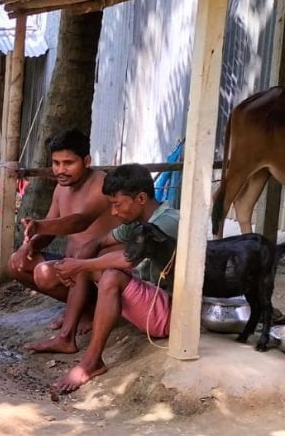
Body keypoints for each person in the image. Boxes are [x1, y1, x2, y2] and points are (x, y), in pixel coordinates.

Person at [40, 164, 180, 394]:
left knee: (111, 274)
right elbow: (98, 242)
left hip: (171, 312)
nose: (114, 213)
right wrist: (78, 265)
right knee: (93, 258)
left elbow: (127, 260)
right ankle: (67, 335)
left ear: (141, 198)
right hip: (149, 301)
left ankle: (92, 362)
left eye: (117, 205)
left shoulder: (166, 222)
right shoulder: (137, 223)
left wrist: (80, 265)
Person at [10, 131, 118, 334]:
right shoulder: (61, 189)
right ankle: (80, 310)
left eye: (68, 163)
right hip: (72, 269)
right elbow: (50, 230)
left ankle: (92, 309)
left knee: (45, 274)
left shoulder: (102, 184)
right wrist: (30, 245)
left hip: (100, 272)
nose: (61, 170)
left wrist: (39, 226)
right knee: (16, 262)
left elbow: (80, 222)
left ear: (86, 161)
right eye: (56, 163)